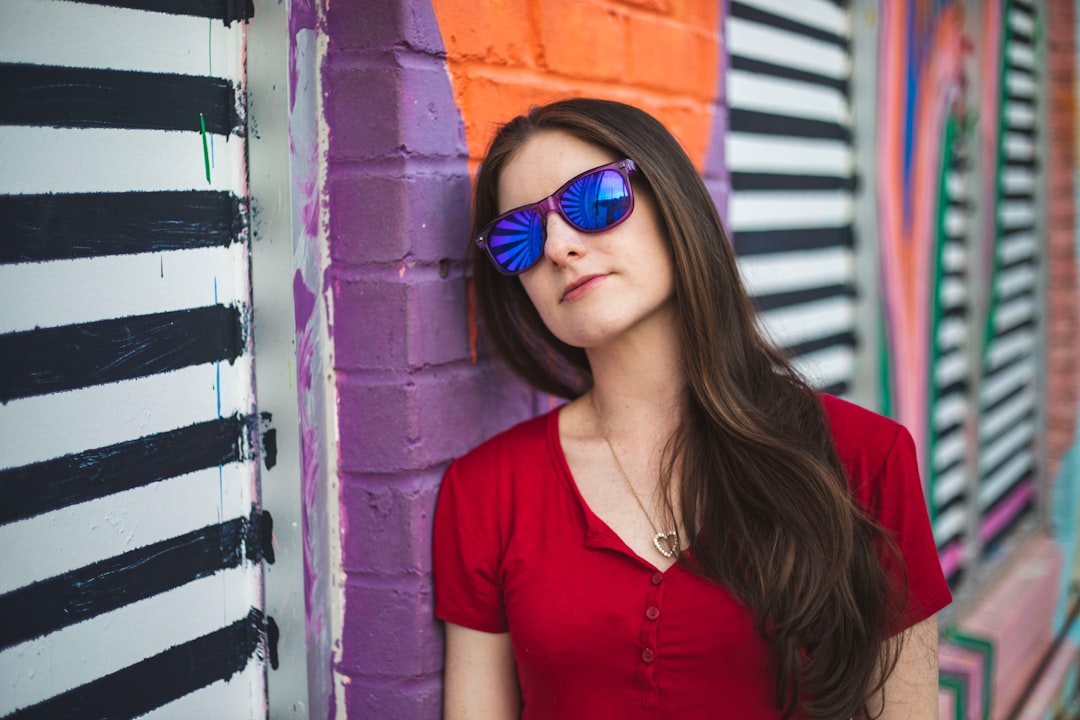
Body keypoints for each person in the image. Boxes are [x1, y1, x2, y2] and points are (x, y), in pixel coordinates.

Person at [433, 98, 952, 719]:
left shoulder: (864, 458)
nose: (559, 247)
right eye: (520, 235)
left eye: (593, 201)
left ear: (672, 202)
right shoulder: (487, 491)